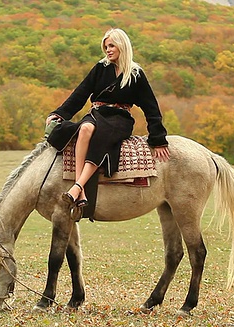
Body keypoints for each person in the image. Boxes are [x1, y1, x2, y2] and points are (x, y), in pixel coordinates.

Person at [46, 28, 170, 208]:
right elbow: (80, 94)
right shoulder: (100, 68)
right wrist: (59, 114)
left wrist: (158, 139)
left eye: (111, 46)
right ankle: (79, 189)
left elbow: (151, 108)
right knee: (85, 128)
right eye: (106, 47)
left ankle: (78, 186)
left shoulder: (135, 74)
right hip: (97, 113)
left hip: (120, 119)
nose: (108, 50)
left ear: (122, 45)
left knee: (102, 135)